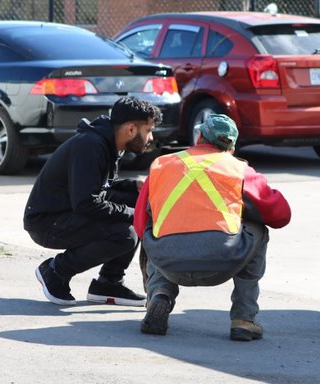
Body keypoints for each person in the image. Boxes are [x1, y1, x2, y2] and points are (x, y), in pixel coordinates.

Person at [133, 114, 291, 341]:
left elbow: (139, 222)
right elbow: (280, 215)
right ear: (232, 147)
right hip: (222, 260)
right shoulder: (238, 170)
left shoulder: (161, 165)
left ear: (198, 137)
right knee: (258, 229)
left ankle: (160, 294)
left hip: (168, 261)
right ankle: (244, 319)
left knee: (154, 229)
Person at [24, 96, 162, 307]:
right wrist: (134, 215)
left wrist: (131, 186)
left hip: (68, 211)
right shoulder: (90, 146)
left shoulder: (106, 142)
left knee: (139, 201)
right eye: (148, 130)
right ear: (131, 130)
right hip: (47, 222)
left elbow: (99, 187)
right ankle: (55, 271)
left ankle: (108, 283)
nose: (151, 137)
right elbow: (87, 203)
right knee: (126, 233)